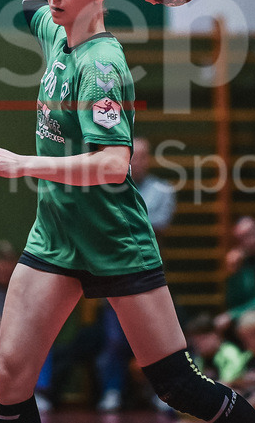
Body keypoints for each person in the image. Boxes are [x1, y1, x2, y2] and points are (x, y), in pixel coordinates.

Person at [0, 0, 255, 423]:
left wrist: (23, 164)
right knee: (11, 374)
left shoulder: (100, 65)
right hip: (56, 236)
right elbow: (29, 6)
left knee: (177, 385)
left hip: (114, 239)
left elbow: (111, 165)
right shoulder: (59, 34)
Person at [94, 135, 176, 412]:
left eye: (141, 156)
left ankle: (162, 394)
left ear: (149, 159)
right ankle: (112, 391)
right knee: (115, 341)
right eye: (131, 155)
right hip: (114, 273)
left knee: (156, 340)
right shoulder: (108, 186)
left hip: (147, 274)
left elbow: (156, 228)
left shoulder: (163, 190)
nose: (135, 161)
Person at [0, 241, 52, 413]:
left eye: (9, 261)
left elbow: (34, 316)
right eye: (1, 260)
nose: (5, 265)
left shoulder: (25, 280)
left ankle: (39, 393)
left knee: (43, 334)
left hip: (18, 334)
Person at [185, 314, 247, 384]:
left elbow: (229, 382)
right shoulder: (199, 359)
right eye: (195, 342)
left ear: (215, 334)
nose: (199, 344)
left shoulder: (229, 353)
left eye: (203, 339)